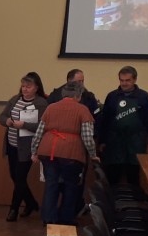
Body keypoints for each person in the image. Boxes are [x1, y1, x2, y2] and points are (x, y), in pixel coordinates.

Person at [31, 81, 98, 225]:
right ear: (78, 96)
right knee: (70, 186)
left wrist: (34, 151)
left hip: (48, 151)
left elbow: (39, 132)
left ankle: (48, 218)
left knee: (51, 185)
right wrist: (93, 154)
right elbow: (87, 137)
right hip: (71, 153)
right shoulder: (83, 110)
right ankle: (66, 219)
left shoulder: (51, 107)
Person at [0, 72, 48, 222]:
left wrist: (24, 125)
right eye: (23, 86)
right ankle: (31, 203)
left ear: (36, 88)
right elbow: (2, 116)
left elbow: (42, 126)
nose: (25, 89)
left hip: (27, 147)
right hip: (11, 144)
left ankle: (13, 209)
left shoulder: (41, 103)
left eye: (28, 86)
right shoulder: (15, 99)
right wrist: (7, 121)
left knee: (20, 178)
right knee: (14, 176)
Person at [96, 65, 148, 187]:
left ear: (135, 80)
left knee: (133, 176)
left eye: (127, 80)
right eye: (122, 80)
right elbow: (105, 120)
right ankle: (112, 199)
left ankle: (133, 198)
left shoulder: (143, 96)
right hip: (114, 143)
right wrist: (102, 141)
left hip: (136, 142)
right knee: (112, 176)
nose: (124, 83)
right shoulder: (112, 96)